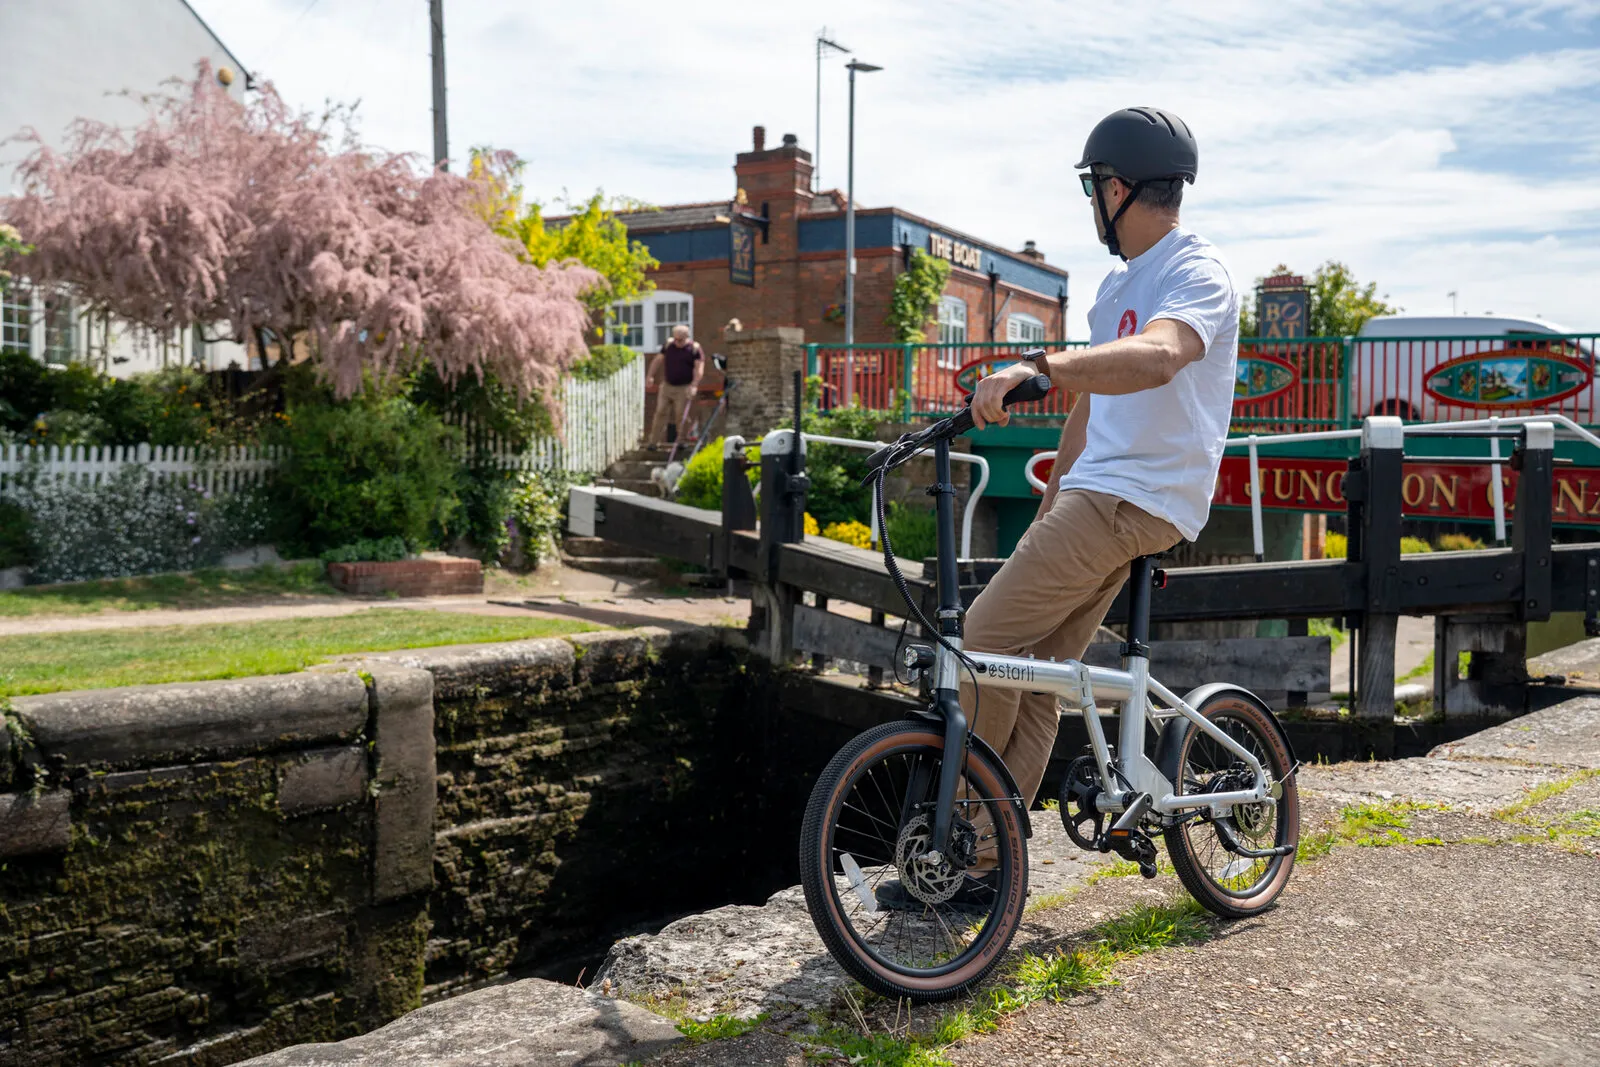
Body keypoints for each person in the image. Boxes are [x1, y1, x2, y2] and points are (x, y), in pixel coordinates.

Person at [883, 107, 1240, 907]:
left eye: (1092, 190)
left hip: (1134, 497)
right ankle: (992, 856)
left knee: (977, 646)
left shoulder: (1196, 269)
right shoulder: (1118, 285)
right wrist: (1050, 502)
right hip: (1096, 496)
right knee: (1038, 672)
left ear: (1115, 187)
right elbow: (1090, 408)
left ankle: (972, 851)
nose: (1091, 206)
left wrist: (1039, 366)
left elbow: (1160, 357)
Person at [646, 325, 705, 448]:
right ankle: (653, 442)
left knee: (681, 414)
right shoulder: (668, 346)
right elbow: (657, 360)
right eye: (676, 339)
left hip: (684, 387)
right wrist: (650, 376)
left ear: (687, 337)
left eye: (681, 340)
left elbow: (699, 368)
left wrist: (694, 385)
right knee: (660, 412)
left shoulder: (694, 349)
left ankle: (681, 442)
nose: (678, 342)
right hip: (667, 385)